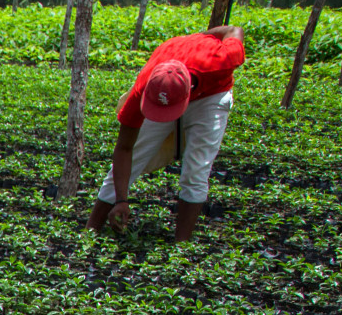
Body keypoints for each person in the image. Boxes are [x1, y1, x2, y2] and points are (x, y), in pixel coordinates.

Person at [88, 25, 246, 242]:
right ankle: (91, 231)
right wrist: (121, 200)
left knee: (197, 168)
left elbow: (234, 30)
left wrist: (203, 37)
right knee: (138, 152)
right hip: (171, 68)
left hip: (211, 95)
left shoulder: (222, 59)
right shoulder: (143, 88)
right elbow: (125, 148)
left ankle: (181, 245)